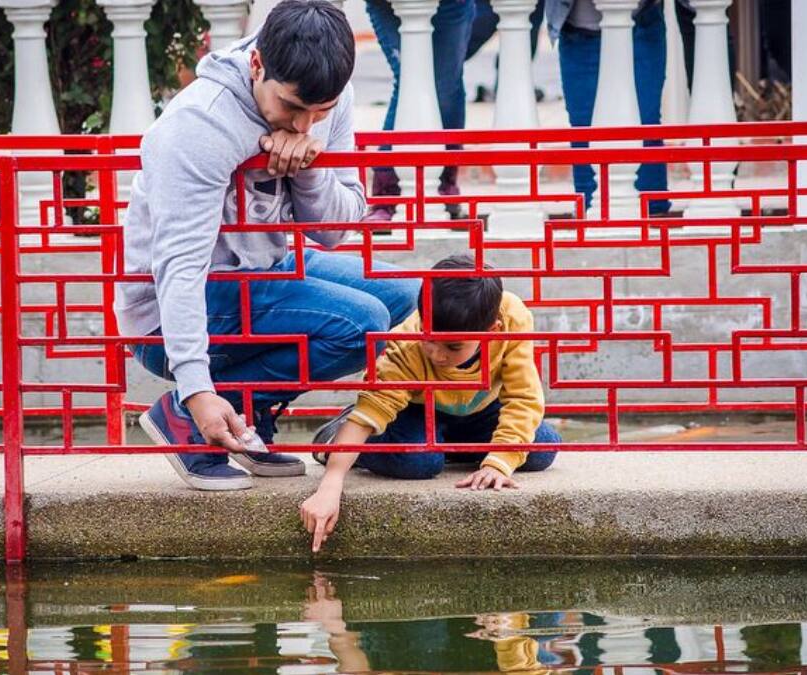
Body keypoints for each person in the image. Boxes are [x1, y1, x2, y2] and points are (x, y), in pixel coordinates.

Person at [114, 0, 421, 491]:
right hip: (168, 306)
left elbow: (334, 230)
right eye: (293, 108)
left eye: (318, 112)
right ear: (257, 64)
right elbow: (178, 267)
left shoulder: (327, 96)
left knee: (407, 299)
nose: (303, 126)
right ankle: (187, 417)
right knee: (361, 323)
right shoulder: (200, 127)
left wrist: (310, 168)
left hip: (265, 266)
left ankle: (266, 411)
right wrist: (194, 388)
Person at [299, 254, 561, 551]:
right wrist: (332, 482)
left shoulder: (513, 318)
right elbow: (372, 410)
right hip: (419, 410)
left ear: (493, 331)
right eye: (430, 339)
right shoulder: (406, 343)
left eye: (452, 346)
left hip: (480, 411)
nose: (437, 354)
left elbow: (522, 398)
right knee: (419, 461)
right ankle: (337, 437)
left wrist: (498, 465)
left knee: (543, 446)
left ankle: (449, 449)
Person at [544, 0, 670, 214]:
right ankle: (590, 221)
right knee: (584, 130)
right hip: (578, 31)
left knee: (646, 123)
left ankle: (654, 220)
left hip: (639, 20)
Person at [363, 0, 476, 221]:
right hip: (387, 4)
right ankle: (387, 194)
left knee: (446, 86)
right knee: (409, 80)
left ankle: (444, 184)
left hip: (451, 5)